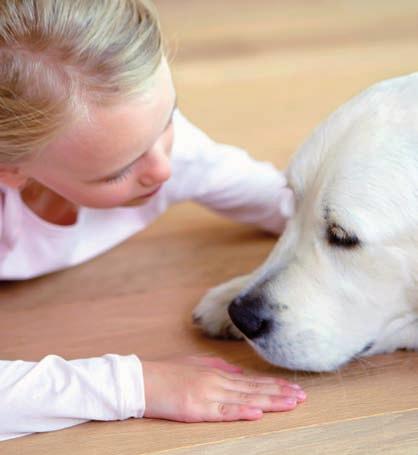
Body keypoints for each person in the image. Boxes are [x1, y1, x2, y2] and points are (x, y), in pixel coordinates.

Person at [0, 0, 305, 442]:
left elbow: (295, 208)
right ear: (10, 170)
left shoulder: (167, 151)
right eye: (116, 172)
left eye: (168, 118)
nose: (163, 169)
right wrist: (134, 385)